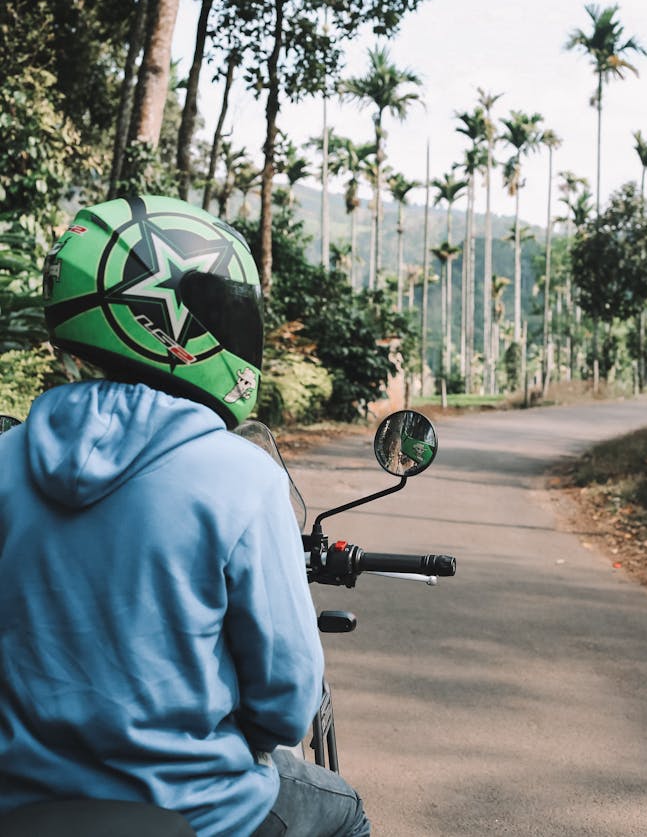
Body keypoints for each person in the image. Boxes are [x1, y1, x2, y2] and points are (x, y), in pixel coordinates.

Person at [0, 194, 370, 837]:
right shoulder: (244, 477)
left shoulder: (6, 459)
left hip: (17, 805)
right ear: (178, 325)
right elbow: (286, 709)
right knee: (343, 810)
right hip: (199, 810)